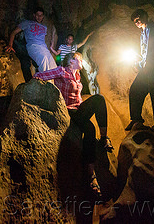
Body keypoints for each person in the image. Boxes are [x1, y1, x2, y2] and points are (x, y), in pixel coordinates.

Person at [33, 52, 114, 196]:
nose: (81, 61)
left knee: (90, 127)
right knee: (97, 102)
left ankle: (92, 171)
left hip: (78, 110)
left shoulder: (77, 76)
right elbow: (40, 75)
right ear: (71, 61)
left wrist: (83, 106)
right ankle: (92, 175)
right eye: (79, 59)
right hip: (68, 112)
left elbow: (78, 98)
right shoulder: (61, 71)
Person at [125, 9, 154, 131]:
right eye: (135, 21)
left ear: (145, 16)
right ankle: (136, 119)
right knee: (135, 90)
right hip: (147, 69)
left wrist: (143, 64)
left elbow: (153, 52)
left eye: (138, 18)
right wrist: (139, 64)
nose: (137, 22)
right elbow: (145, 54)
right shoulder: (143, 33)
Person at [5, 7, 57, 73]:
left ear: (43, 16)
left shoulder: (44, 27)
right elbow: (14, 32)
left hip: (43, 48)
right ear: (34, 15)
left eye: (41, 15)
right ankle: (43, 81)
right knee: (44, 59)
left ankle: (50, 81)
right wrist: (10, 45)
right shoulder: (27, 23)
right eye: (37, 15)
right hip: (33, 46)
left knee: (53, 65)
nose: (39, 17)